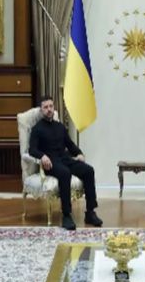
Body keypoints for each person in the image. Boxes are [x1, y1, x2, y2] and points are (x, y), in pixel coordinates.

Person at [28, 95, 102, 231]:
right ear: (41, 110)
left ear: (53, 108)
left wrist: (79, 153)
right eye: (45, 107)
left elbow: (70, 144)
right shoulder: (37, 129)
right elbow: (32, 149)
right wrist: (42, 156)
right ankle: (66, 215)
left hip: (65, 159)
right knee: (65, 173)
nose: (49, 109)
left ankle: (90, 212)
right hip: (50, 163)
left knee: (88, 170)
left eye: (51, 106)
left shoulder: (60, 127)